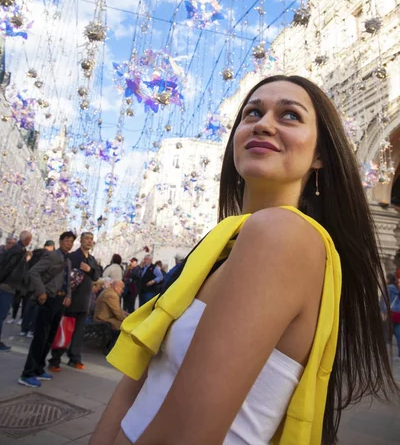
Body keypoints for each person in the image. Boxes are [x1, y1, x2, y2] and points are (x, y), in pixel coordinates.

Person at [90, 75, 398, 445]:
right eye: (252, 112)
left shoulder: (282, 234)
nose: (263, 124)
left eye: (289, 116)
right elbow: (139, 379)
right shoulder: (222, 247)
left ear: (319, 155)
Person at [18, 231, 75, 388]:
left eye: (71, 242)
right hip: (48, 299)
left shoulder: (67, 261)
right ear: (60, 241)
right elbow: (34, 272)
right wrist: (41, 291)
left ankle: (38, 368)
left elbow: (67, 281)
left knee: (50, 337)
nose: (69, 244)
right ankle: (27, 373)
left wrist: (68, 295)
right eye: (67, 241)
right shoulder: (51, 256)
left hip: (59, 301)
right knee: (40, 337)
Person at [49, 232, 101, 371]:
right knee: (65, 329)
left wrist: (89, 269)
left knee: (78, 332)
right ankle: (55, 359)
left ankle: (74, 357)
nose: (89, 241)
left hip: (84, 301)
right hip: (71, 299)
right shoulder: (73, 256)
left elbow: (97, 274)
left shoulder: (91, 259)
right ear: (81, 241)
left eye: (91, 239)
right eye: (87, 239)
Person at [0, 230, 31, 351]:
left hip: (8, 285)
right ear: (27, 240)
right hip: (7, 286)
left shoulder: (18, 249)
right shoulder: (18, 250)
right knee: (1, 315)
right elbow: (9, 267)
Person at [20, 240, 56, 338]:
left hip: (30, 283)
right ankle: (31, 330)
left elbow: (27, 266)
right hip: (41, 284)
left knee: (29, 306)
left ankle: (24, 328)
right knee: (38, 307)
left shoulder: (35, 252)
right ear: (52, 247)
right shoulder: (50, 256)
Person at [381, 273, 400, 358]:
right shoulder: (397, 288)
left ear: (388, 279)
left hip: (390, 313)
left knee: (386, 335)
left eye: (386, 278)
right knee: (399, 335)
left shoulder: (387, 288)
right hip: (398, 314)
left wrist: (384, 312)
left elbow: (384, 301)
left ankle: (383, 355)